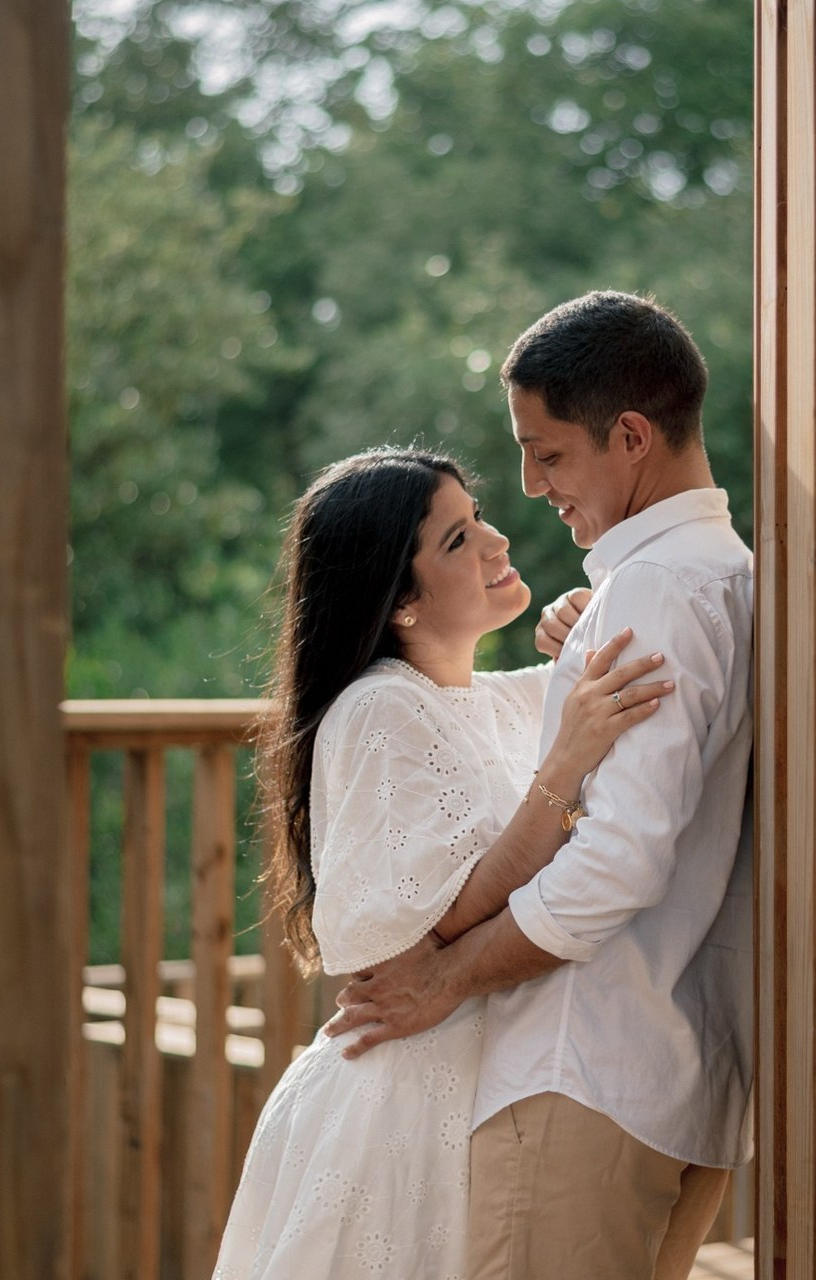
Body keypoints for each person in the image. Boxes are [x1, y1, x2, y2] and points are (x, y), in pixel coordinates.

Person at [326, 292, 755, 1280]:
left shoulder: (655, 586)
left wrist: (445, 976)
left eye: (548, 452)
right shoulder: (716, 570)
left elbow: (616, 857)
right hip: (674, 1069)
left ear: (631, 435)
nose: (531, 485)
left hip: (584, 1071)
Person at [212, 446, 671, 1280]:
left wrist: (585, 620)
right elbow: (442, 914)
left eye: (479, 517)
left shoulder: (492, 701)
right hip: (405, 1111)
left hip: (481, 1088)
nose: (497, 542)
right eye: (458, 541)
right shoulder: (378, 708)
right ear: (401, 602)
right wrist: (563, 770)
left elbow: (586, 692)